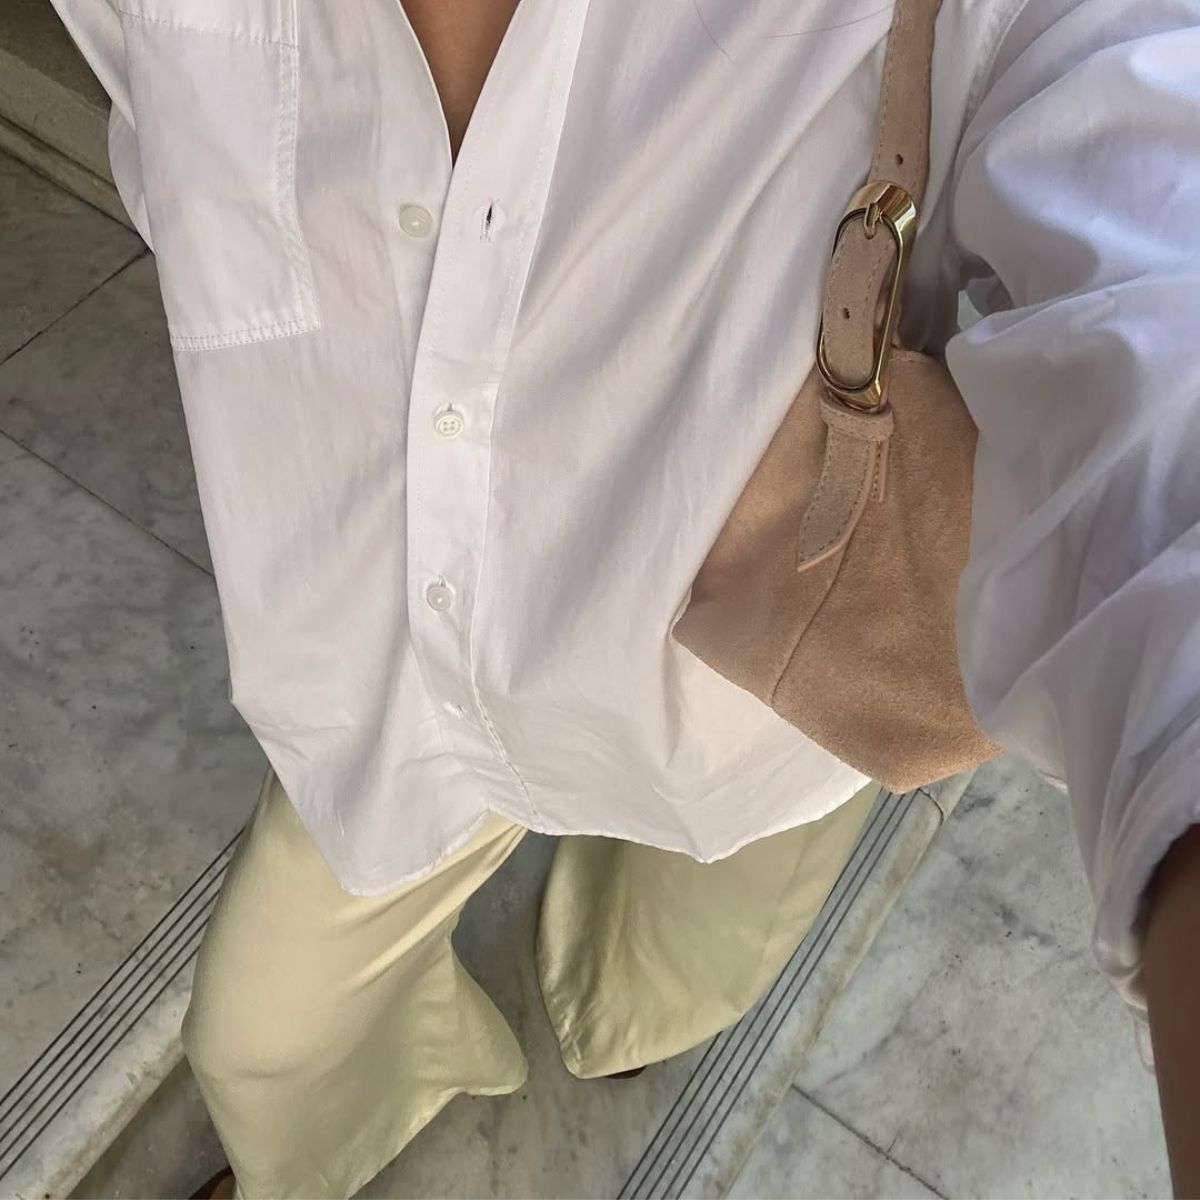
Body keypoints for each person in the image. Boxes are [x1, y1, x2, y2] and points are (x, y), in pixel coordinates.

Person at [49, 0, 1200, 1195]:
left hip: (774, 673)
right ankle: (343, 1135)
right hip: (384, 689)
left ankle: (637, 1012)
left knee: (694, 934)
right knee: (265, 1034)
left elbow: (1164, 276)